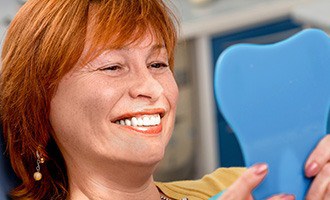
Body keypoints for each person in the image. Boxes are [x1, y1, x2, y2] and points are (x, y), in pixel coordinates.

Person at [0, 0, 329, 199]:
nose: (152, 88)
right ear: (39, 107)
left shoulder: (246, 187)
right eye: (113, 66)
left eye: (158, 64)